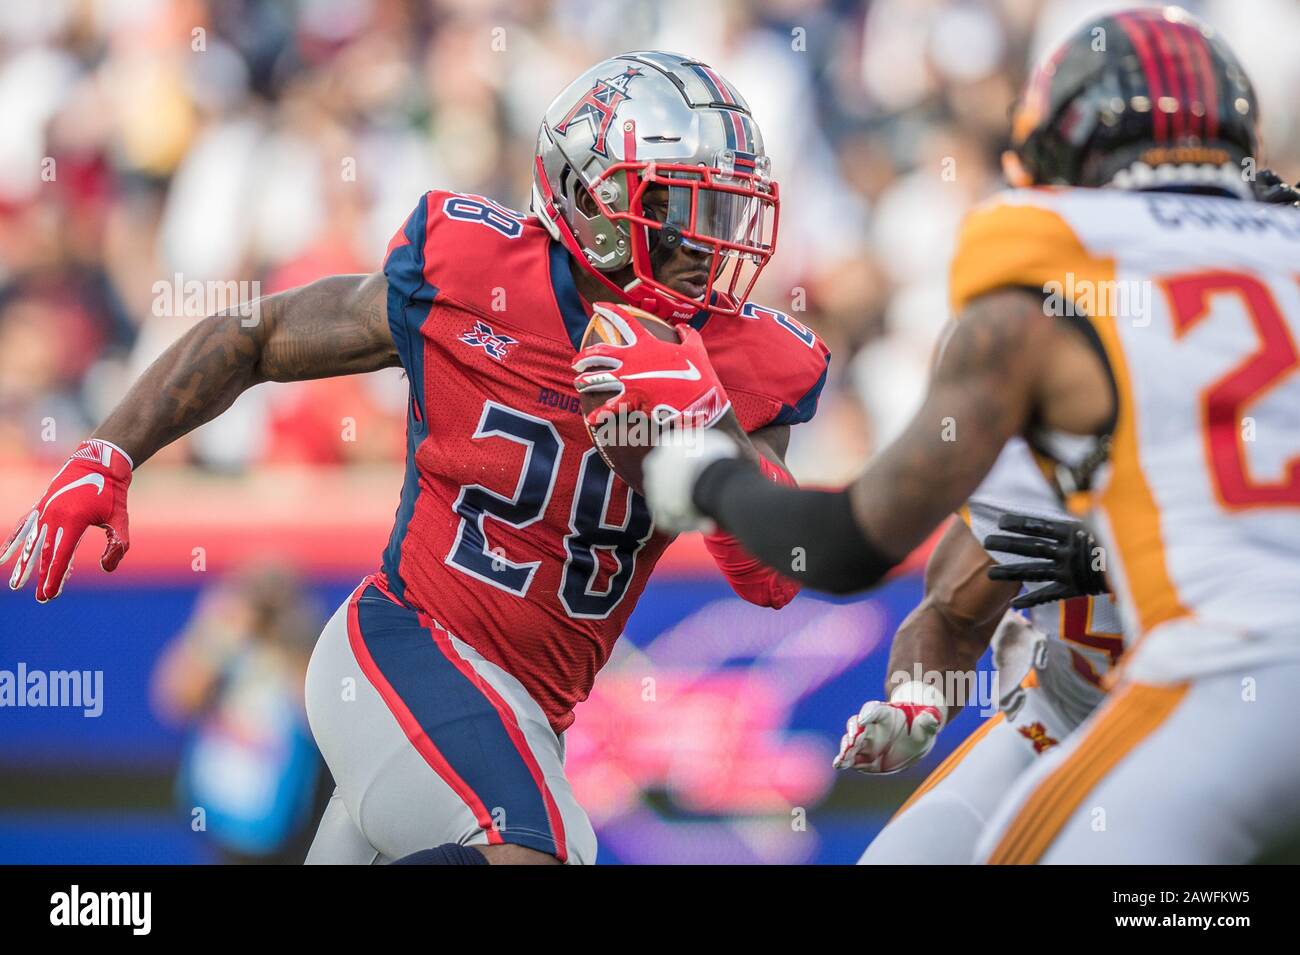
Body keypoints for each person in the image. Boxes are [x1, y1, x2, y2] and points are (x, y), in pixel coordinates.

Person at [3, 52, 830, 865]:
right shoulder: (475, 273)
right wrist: (111, 450)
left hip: (522, 713)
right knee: (528, 853)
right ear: (594, 200)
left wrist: (707, 419)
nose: (705, 243)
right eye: (681, 209)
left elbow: (775, 574)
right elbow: (255, 337)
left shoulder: (742, 362)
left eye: (720, 215)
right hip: (405, 643)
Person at [643, 7, 1300, 862]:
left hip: (1210, 679)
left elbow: (846, 547)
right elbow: (952, 611)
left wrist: (708, 478)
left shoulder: (1050, 312)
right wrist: (923, 698)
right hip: (1077, 702)